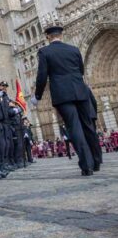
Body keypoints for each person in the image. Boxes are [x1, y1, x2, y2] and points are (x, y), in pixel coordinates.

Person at [32, 25, 100, 176]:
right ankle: (96, 161)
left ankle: (86, 165)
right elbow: (81, 70)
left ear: (48, 37)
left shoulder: (44, 52)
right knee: (88, 126)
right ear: (61, 35)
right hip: (80, 91)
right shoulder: (74, 49)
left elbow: (42, 76)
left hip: (62, 94)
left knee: (74, 127)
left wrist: (37, 96)